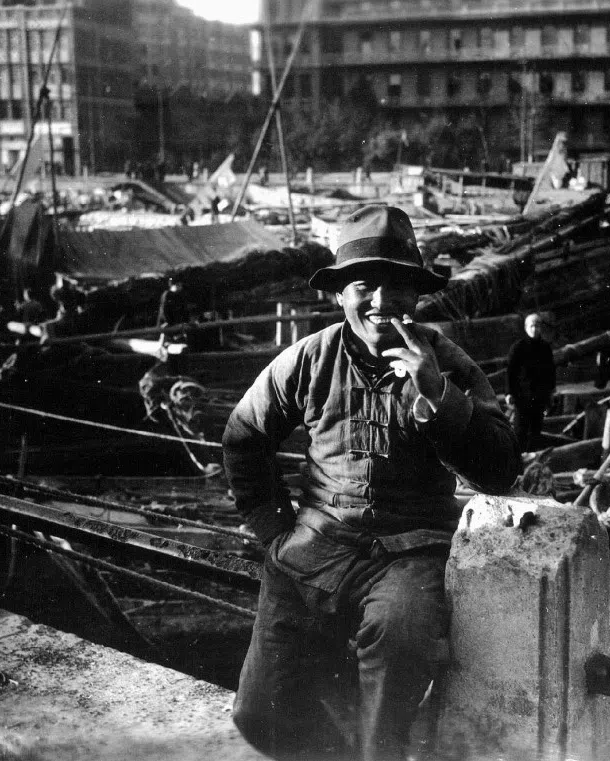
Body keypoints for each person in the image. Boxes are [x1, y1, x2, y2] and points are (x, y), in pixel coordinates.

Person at [223, 205, 521, 761]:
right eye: (366, 286)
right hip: (314, 545)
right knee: (258, 714)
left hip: (409, 551)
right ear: (340, 295)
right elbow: (243, 436)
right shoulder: (308, 359)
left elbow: (501, 471)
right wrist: (272, 529)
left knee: (401, 641)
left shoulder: (447, 362)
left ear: (418, 296)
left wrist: (437, 395)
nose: (384, 303)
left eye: (400, 288)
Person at [506, 312, 556, 453]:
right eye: (532, 326)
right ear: (526, 328)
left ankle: (533, 459)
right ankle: (517, 458)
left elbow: (551, 372)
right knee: (520, 430)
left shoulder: (545, 348)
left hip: (539, 396)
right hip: (522, 396)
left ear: (541, 328)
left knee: (536, 430)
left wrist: (551, 392)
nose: (535, 329)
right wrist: (508, 392)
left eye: (537, 326)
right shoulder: (518, 347)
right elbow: (510, 372)